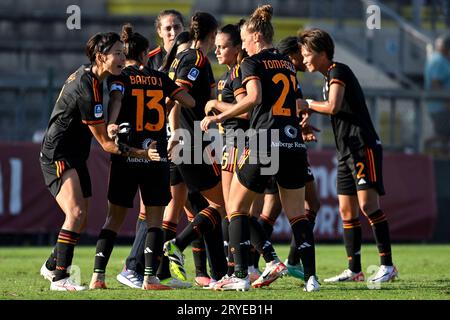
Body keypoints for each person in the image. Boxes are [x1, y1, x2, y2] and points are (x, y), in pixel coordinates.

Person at [200, 5, 319, 292]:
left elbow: (254, 97)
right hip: (292, 143)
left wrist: (219, 115)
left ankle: (240, 275)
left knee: (237, 207)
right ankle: (311, 278)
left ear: (254, 35)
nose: (242, 43)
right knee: (297, 215)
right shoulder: (288, 64)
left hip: (264, 142)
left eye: (243, 37)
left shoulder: (251, 63)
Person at [38, 32, 155, 291]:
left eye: (124, 53)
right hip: (58, 153)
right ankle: (60, 278)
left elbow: (102, 123)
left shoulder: (93, 76)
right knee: (76, 213)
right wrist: (141, 153)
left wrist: (110, 126)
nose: (123, 58)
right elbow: (105, 144)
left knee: (82, 216)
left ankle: (50, 265)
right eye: (118, 53)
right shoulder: (87, 85)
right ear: (101, 57)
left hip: (75, 154)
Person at [88, 24, 195, 291]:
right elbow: (190, 101)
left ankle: (97, 276)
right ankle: (149, 278)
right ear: (147, 54)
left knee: (113, 219)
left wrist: (112, 123)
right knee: (155, 220)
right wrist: (167, 101)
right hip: (155, 156)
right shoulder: (160, 79)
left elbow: (115, 99)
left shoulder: (120, 77)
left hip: (126, 155)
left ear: (126, 53)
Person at [298, 28, 398, 283]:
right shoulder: (327, 78)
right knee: (346, 211)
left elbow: (333, 106)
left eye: (307, 53)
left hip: (362, 146)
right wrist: (309, 111)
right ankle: (354, 269)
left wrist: (308, 104)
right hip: (345, 151)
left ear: (322, 53)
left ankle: (387, 265)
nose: (305, 58)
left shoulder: (338, 71)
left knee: (368, 206)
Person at [162, 12, 228, 285]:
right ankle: (177, 243)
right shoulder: (196, 58)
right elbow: (176, 96)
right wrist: (175, 133)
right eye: (217, 40)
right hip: (191, 143)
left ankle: (218, 274)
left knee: (201, 207)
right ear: (212, 36)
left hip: (184, 141)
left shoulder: (182, 56)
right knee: (222, 204)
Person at [424, 33, 450, 156]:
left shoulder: (441, 60)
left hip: (441, 105)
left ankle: (444, 157)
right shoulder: (438, 60)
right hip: (441, 106)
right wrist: (447, 102)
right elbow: (435, 83)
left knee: (445, 135)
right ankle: (423, 144)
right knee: (443, 133)